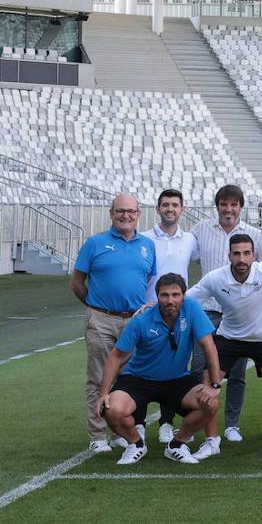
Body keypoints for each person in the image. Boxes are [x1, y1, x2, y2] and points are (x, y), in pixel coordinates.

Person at [186, 233, 262, 460]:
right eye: (237, 254)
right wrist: (154, 305)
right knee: (207, 388)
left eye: (246, 253)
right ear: (229, 256)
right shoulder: (216, 278)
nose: (242, 259)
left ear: (254, 255)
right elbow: (186, 298)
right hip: (229, 339)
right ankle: (212, 441)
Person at [96, 273, 221, 465]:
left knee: (210, 404)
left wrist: (214, 384)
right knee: (111, 409)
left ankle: (177, 445)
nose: (170, 300)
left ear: (184, 295)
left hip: (177, 380)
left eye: (175, 294)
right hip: (138, 379)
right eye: (164, 295)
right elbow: (116, 356)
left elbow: (209, 346)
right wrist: (104, 392)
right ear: (157, 296)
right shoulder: (141, 320)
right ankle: (136, 444)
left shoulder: (193, 309)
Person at [71, 193, 157, 455]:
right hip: (101, 319)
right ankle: (97, 434)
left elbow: (150, 280)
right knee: (98, 378)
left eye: (131, 211)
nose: (126, 215)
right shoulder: (95, 244)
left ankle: (120, 430)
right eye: (120, 211)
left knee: (128, 379)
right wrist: (96, 308)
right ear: (111, 213)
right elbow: (76, 282)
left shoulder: (147, 245)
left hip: (133, 321)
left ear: (138, 214)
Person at [191, 184, 262, 443]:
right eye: (224, 204)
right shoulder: (200, 229)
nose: (229, 209)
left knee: (235, 372)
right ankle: (197, 421)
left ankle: (232, 425)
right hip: (207, 312)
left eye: (234, 204)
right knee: (200, 368)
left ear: (241, 207)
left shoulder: (254, 234)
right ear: (218, 206)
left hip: (239, 313)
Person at [144, 188, 200, 442]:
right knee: (142, 368)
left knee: (174, 368)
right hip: (149, 312)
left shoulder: (190, 240)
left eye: (174, 205)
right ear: (157, 208)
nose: (170, 209)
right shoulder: (144, 239)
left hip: (178, 313)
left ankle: (166, 422)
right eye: (165, 205)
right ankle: (138, 422)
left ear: (182, 209)